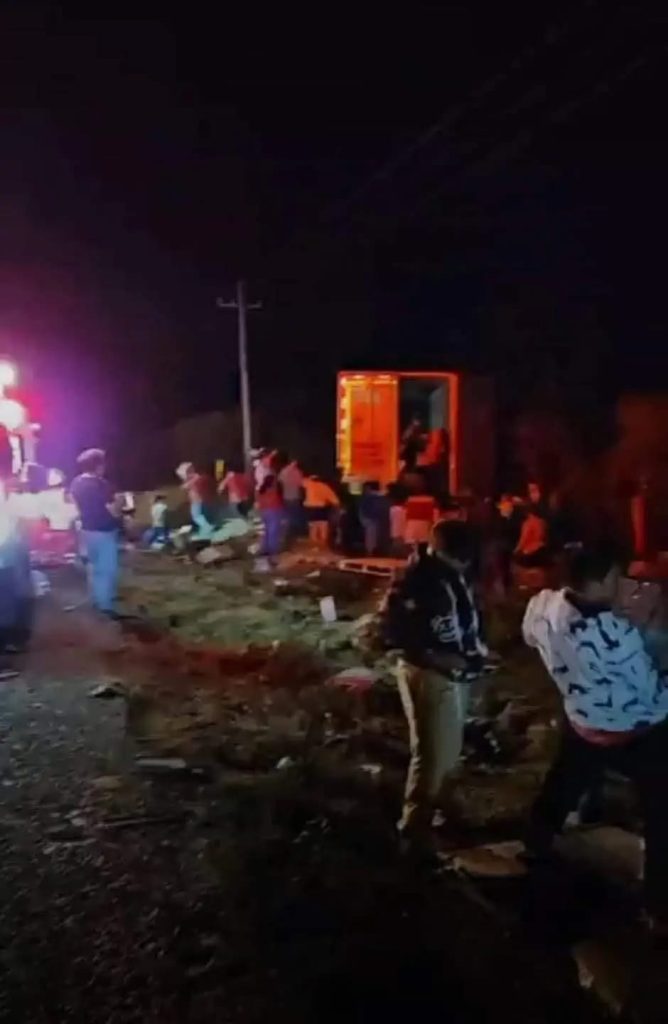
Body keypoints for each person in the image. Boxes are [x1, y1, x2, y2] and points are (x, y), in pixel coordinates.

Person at [522, 543, 668, 931]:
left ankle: (537, 839)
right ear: (602, 580)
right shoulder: (618, 635)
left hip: (582, 720)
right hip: (632, 730)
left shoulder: (543, 605)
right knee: (661, 810)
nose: (623, 585)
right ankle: (659, 902)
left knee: (565, 781)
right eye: (618, 578)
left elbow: (530, 638)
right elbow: (652, 694)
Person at [381, 520, 488, 843]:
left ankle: (437, 818)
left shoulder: (446, 574)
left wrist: (474, 653)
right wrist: (436, 657)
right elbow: (396, 632)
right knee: (432, 756)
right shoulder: (422, 579)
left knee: (447, 751)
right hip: (431, 675)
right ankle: (414, 830)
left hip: (451, 674)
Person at [70, 448, 121, 615]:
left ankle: (95, 598)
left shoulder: (76, 483)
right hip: (104, 530)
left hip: (86, 530)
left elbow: (75, 507)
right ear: (98, 465)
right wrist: (120, 505)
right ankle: (105, 605)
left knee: (92, 566)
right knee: (107, 568)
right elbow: (113, 511)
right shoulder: (102, 485)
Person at [176, 462, 214, 539]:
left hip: (196, 500)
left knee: (196, 516)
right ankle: (205, 531)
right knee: (198, 516)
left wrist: (186, 480)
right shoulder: (194, 477)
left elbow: (185, 487)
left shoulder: (195, 477)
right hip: (196, 500)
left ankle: (207, 527)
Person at [303, 474, 340, 549]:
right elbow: (334, 499)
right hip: (321, 509)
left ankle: (314, 546)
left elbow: (303, 481)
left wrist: (310, 478)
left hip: (311, 509)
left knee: (313, 528)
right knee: (323, 527)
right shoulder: (324, 486)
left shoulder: (309, 484)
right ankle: (323, 545)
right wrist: (336, 506)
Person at [256, 471, 284, 558]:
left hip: (264, 512)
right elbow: (277, 502)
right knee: (273, 532)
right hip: (274, 512)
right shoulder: (273, 491)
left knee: (267, 532)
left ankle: (265, 549)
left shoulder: (261, 491)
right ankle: (273, 551)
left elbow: (259, 502)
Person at [359, 481, 390, 556]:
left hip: (371, 521)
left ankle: (371, 553)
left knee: (371, 540)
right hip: (384, 522)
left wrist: (364, 521)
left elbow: (363, 511)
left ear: (368, 488)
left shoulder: (367, 498)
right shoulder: (385, 498)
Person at [279, 459, 305, 541]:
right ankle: (295, 534)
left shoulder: (283, 471)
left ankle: (289, 534)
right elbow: (301, 483)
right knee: (296, 515)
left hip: (286, 496)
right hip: (295, 496)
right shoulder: (297, 472)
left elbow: (280, 481)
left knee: (289, 515)